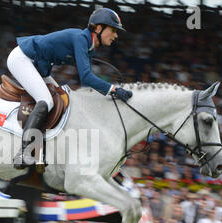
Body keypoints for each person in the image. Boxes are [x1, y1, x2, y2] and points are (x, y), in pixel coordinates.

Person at [7, 8, 133, 169]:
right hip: (22, 59)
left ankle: (41, 151)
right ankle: (24, 153)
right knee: (46, 100)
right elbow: (86, 77)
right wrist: (113, 89)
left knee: (61, 100)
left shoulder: (89, 46)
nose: (116, 35)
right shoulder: (81, 38)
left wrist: (110, 91)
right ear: (99, 28)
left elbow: (87, 82)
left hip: (38, 65)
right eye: (113, 30)